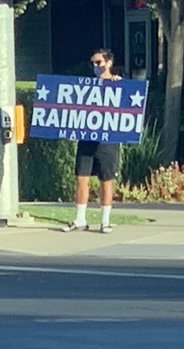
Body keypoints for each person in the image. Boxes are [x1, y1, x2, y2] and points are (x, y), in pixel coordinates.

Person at [64, 48, 121, 233]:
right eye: (93, 63)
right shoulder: (86, 85)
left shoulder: (118, 84)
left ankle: (105, 221)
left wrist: (118, 85)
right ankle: (80, 219)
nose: (95, 66)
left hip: (107, 140)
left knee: (106, 180)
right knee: (81, 178)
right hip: (86, 138)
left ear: (109, 63)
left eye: (98, 63)